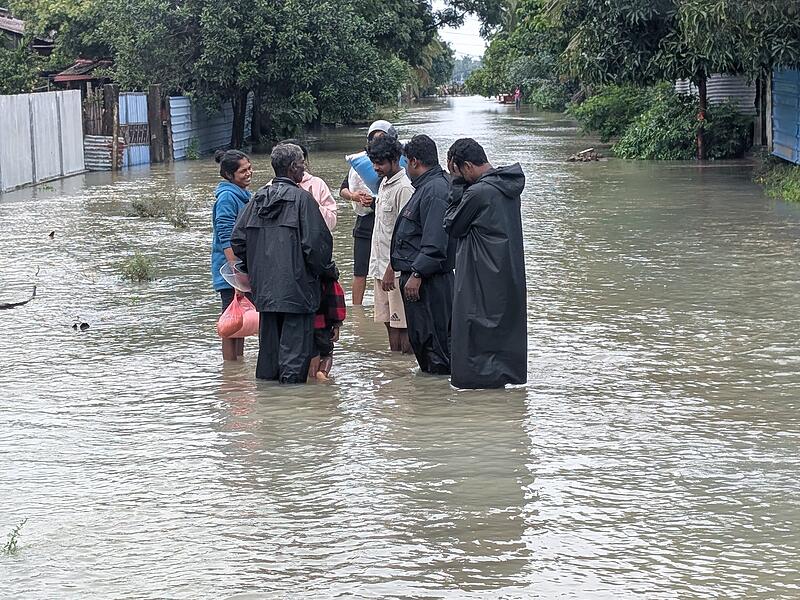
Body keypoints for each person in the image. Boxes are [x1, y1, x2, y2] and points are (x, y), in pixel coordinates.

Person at [231, 144, 334, 383]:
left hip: (265, 293)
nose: (304, 168)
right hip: (298, 293)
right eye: (301, 164)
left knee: (269, 358)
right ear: (292, 168)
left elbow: (238, 240)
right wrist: (326, 274)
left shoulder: (257, 199)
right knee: (294, 362)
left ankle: (270, 412)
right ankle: (290, 411)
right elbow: (317, 248)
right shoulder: (303, 200)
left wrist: (257, 270)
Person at [444, 138, 527, 389]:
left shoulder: (478, 192)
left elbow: (452, 224)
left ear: (467, 166)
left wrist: (456, 183)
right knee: (501, 327)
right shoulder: (507, 185)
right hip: (506, 270)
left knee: (471, 327)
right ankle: (501, 385)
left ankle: (475, 389)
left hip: (480, 271)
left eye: (457, 171)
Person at [391, 134, 454, 374]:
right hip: (423, 279)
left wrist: (417, 272)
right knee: (424, 341)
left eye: (406, 162)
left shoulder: (435, 190)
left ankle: (437, 402)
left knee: (434, 345)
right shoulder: (427, 187)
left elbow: (435, 241)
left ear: (415, 161)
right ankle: (429, 398)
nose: (405, 167)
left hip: (429, 282)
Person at [339, 120, 399, 305]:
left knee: (389, 269)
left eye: (382, 139)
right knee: (360, 271)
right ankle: (358, 316)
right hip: (366, 223)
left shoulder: (398, 167)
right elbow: (343, 189)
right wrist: (355, 196)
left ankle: (391, 307)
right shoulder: (363, 164)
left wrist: (376, 200)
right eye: (374, 140)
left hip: (388, 225)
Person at [366, 134, 414, 353]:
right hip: (379, 266)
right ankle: (393, 368)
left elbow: (405, 235)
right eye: (374, 162)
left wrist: (391, 268)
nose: (376, 167)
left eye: (381, 163)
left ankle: (403, 371)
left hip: (393, 270)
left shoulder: (404, 188)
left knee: (402, 325)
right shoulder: (384, 184)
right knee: (387, 321)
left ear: (395, 160)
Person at [211, 149, 252, 361]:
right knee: (230, 321)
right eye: (243, 171)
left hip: (241, 268)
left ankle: (237, 366)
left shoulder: (243, 194)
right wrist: (236, 275)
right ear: (229, 175)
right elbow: (225, 236)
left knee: (240, 321)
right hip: (230, 271)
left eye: (249, 168)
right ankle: (230, 370)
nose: (248, 173)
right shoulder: (227, 197)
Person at [280, 138, 337, 231]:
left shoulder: (317, 184)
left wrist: (314, 204)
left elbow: (331, 222)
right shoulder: (270, 188)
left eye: (302, 162)